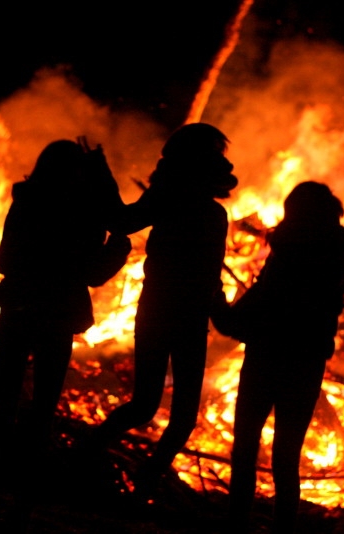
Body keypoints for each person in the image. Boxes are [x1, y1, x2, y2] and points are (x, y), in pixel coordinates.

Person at [90, 123, 238, 495]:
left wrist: (102, 175)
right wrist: (221, 314)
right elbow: (122, 222)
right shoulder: (200, 209)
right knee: (174, 413)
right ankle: (131, 474)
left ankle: (110, 464)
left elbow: (121, 221)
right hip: (177, 313)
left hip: (166, 310)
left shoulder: (173, 199)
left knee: (149, 406)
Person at [211, 181, 344, 534]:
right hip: (307, 361)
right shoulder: (334, 250)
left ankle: (237, 523)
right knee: (286, 457)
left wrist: (218, 304)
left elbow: (260, 304)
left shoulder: (292, 255)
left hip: (269, 356)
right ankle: (283, 527)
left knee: (245, 446)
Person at [0, 139, 130, 452]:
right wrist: (118, 249)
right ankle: (31, 467)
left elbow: (3, 261)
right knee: (44, 403)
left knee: (4, 396)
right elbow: (93, 275)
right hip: (58, 313)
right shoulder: (85, 213)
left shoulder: (26, 201)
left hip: (19, 307)